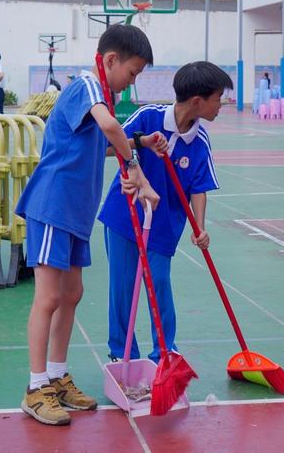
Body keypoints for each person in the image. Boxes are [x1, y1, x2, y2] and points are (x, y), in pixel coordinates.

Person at [14, 24, 163, 427]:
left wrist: (140, 146)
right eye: (132, 73)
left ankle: (58, 375)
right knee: (48, 297)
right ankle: (35, 386)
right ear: (111, 60)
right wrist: (139, 173)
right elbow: (112, 130)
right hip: (52, 206)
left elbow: (108, 141)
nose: (131, 83)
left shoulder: (104, 100)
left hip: (76, 213)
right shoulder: (88, 85)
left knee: (72, 293)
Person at [98, 61, 233, 364]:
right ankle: (122, 355)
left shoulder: (199, 141)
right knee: (122, 287)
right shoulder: (149, 117)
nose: (221, 105)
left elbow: (199, 186)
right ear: (198, 101)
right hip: (125, 216)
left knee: (158, 284)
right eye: (218, 98)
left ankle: (163, 352)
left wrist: (199, 227)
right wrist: (139, 144)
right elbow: (109, 146)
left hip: (164, 227)